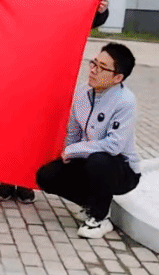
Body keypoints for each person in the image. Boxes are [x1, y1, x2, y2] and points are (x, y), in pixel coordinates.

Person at [0, 0, 112, 203]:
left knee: (38, 125)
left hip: (51, 67)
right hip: (18, 63)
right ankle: (6, 177)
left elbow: (85, 18)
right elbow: (0, 9)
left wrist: (100, 12)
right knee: (11, 121)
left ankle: (28, 179)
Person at [36, 43, 138, 239]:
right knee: (46, 176)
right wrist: (68, 154)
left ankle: (101, 218)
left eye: (102, 67)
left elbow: (113, 146)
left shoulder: (125, 102)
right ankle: (91, 204)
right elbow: (73, 132)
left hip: (122, 170)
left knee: (99, 160)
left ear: (118, 78)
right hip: (90, 161)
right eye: (94, 63)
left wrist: (74, 150)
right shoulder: (83, 93)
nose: (93, 70)